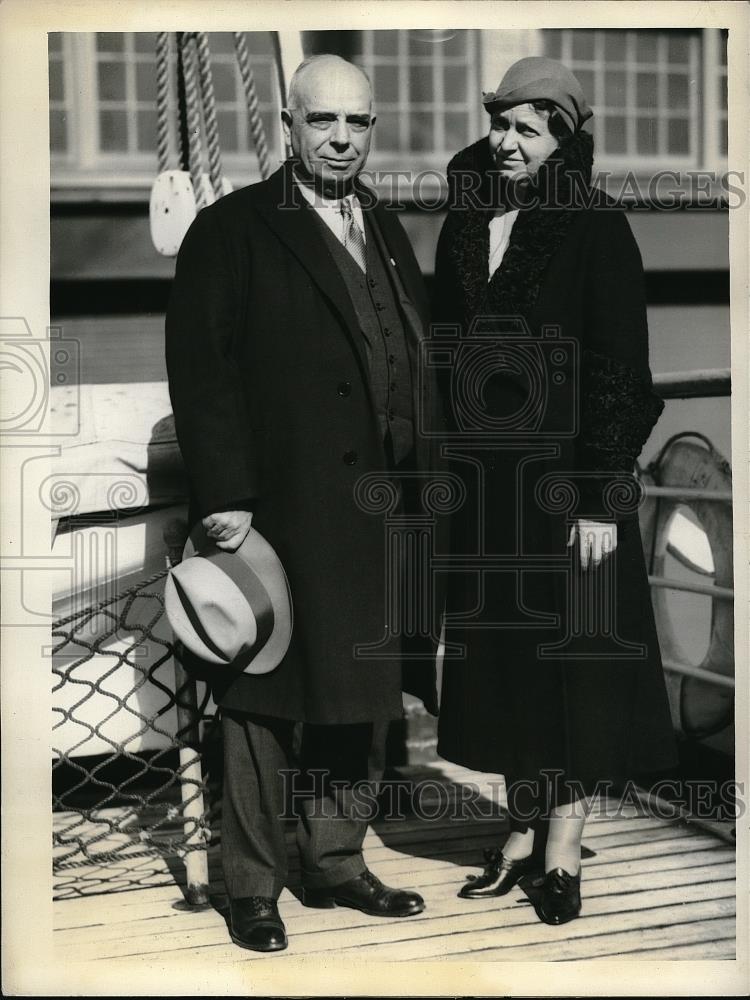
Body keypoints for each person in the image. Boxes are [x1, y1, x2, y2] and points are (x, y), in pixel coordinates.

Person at [166, 54, 445, 952]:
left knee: (363, 693)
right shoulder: (233, 228)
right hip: (282, 510)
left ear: (373, 129)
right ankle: (250, 886)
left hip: (385, 506)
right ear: (288, 125)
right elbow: (203, 374)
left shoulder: (387, 226)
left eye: (358, 124)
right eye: (323, 121)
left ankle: (335, 862)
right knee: (263, 700)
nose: (341, 139)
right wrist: (227, 499)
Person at [434, 57, 678, 925]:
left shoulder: (596, 228)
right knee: (510, 669)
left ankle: (563, 848)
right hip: (487, 491)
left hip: (570, 492)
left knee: (572, 671)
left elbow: (623, 370)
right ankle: (517, 828)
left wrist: (603, 494)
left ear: (563, 142)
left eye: (530, 130)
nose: (507, 142)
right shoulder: (466, 222)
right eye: (501, 122)